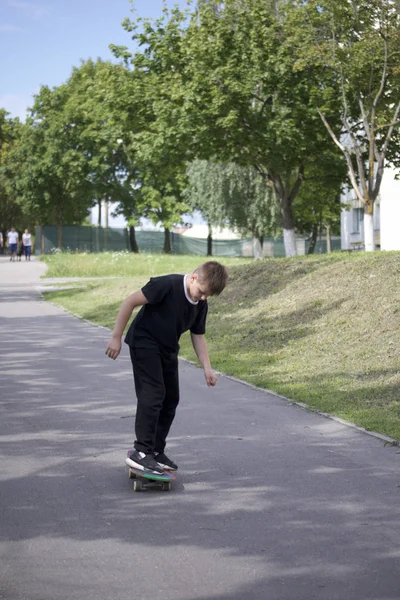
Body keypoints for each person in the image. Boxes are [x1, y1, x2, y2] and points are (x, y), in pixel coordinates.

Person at [105, 261, 228, 474]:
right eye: (201, 292)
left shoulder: (200, 304)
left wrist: (207, 368)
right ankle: (141, 452)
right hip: (144, 342)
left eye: (207, 295)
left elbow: (198, 335)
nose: (203, 298)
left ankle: (155, 450)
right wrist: (116, 337)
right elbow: (130, 301)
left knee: (171, 399)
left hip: (168, 349)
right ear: (193, 278)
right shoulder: (167, 285)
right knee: (153, 395)